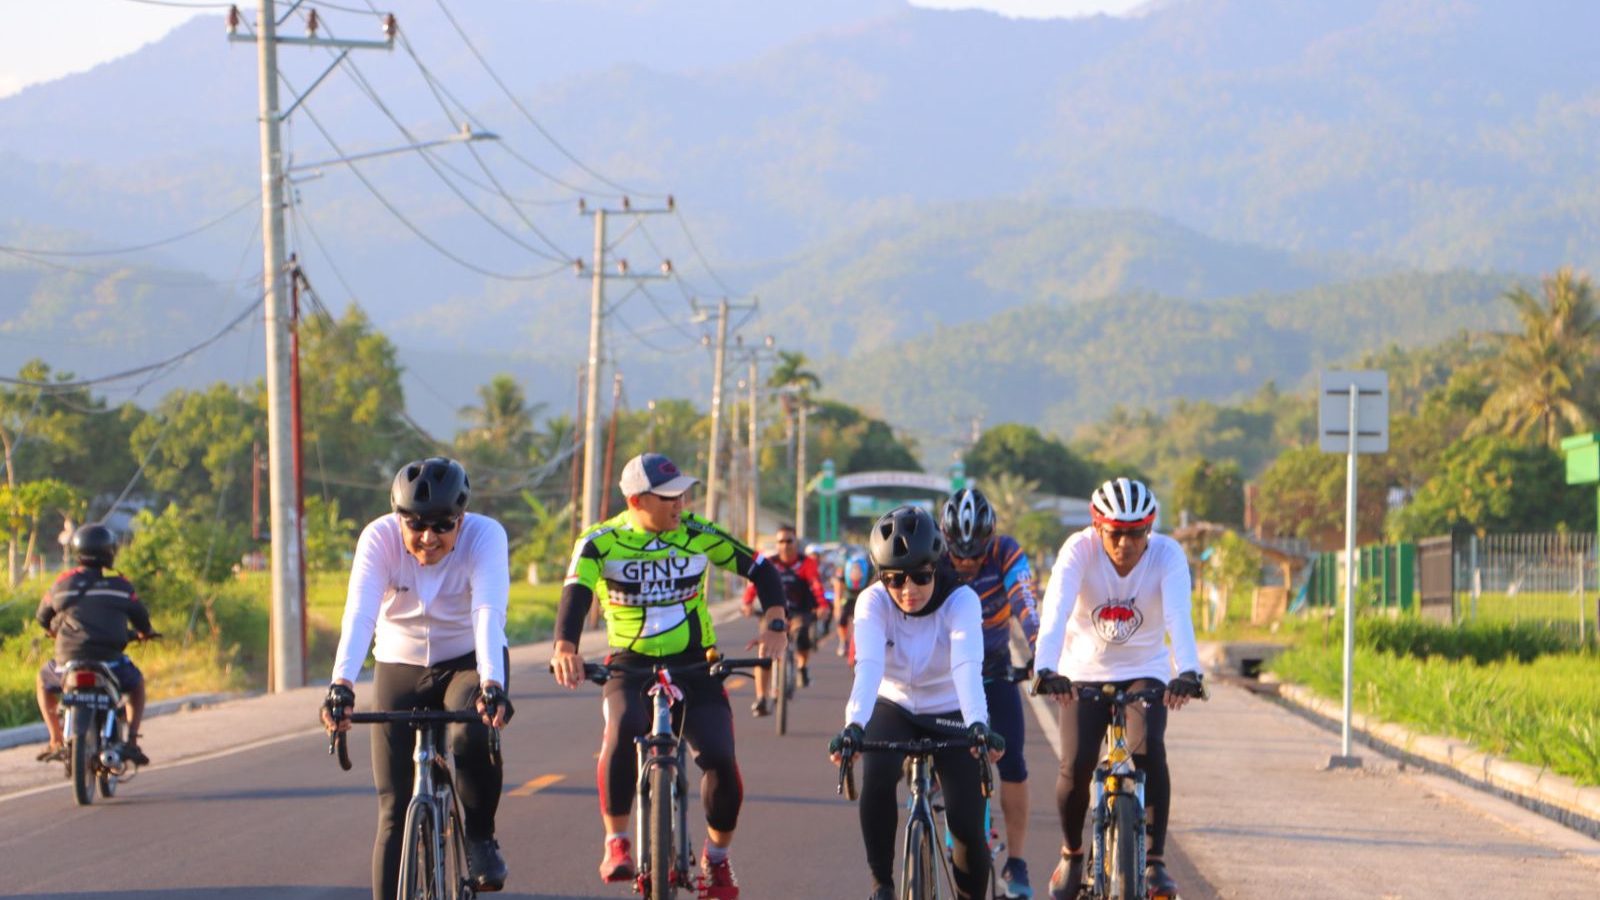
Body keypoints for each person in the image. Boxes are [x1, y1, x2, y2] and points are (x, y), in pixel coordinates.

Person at [550, 452, 788, 900]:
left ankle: (716, 862)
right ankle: (616, 840)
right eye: (669, 497)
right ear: (638, 500)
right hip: (630, 663)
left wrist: (775, 620)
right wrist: (566, 646)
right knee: (622, 730)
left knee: (719, 756)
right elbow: (576, 593)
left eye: (683, 494)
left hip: (696, 663)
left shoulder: (698, 533)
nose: (681, 504)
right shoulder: (601, 542)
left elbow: (759, 567)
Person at [320, 457, 513, 900]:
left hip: (467, 660)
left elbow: (487, 613)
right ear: (398, 518)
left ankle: (481, 836)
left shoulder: (486, 536)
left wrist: (492, 685)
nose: (428, 538)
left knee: (471, 732)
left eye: (443, 525)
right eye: (416, 524)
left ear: (461, 520)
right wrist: (341, 685)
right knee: (392, 806)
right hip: (399, 663)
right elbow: (360, 613)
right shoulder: (379, 538)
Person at [1030, 478, 1206, 900]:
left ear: (1151, 529)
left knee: (1150, 750)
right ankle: (1073, 853)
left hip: (1144, 669)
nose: (1126, 543)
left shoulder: (1167, 555)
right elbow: (1054, 611)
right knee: (1075, 766)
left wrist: (1189, 671)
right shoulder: (1078, 550)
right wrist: (1046, 668)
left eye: (1137, 533)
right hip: (1082, 671)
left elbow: (1178, 617)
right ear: (1097, 527)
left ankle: (1155, 862)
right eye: (1115, 533)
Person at [829, 505, 1005, 900]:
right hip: (894, 705)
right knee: (876, 779)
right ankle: (882, 886)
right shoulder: (872, 601)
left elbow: (966, 667)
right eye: (894, 578)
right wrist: (854, 725)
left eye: (921, 577)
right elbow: (869, 666)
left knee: (966, 827)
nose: (908, 590)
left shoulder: (961, 600)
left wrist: (978, 722)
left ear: (936, 566)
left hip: (951, 708)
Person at [940, 487, 1041, 899]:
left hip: (994, 667)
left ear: (990, 540)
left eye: (974, 554)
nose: (964, 563)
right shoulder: (934, 555)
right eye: (957, 554)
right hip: (943, 673)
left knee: (1013, 758)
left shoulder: (1005, 552)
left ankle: (1016, 862)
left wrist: (1041, 650)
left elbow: (1024, 602)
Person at [34, 523, 154, 766]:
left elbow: (42, 617)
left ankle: (56, 738)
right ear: (110, 552)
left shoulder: (63, 583)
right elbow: (142, 620)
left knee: (42, 681)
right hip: (111, 661)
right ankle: (131, 740)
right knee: (137, 685)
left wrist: (52, 632)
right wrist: (145, 633)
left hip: (68, 660)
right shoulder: (121, 586)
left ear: (78, 551)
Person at [741, 524, 826, 712]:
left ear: (796, 542)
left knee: (803, 636)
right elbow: (754, 585)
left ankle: (802, 667)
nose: (785, 545)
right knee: (764, 651)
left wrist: (822, 605)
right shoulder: (768, 564)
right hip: (773, 614)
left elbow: (816, 585)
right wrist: (747, 603)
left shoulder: (806, 564)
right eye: (781, 541)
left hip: (799, 612)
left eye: (789, 541)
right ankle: (762, 698)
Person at [834, 548, 872, 660]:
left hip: (863, 595)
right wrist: (838, 608)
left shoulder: (870, 571)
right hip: (849, 597)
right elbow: (838, 594)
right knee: (842, 619)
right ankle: (843, 641)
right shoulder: (842, 573)